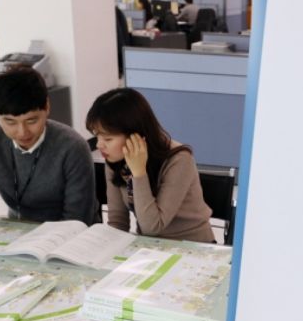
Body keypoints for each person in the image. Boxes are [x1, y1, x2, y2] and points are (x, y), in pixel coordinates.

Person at [0, 66, 98, 246]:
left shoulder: (72, 147)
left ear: (47, 107)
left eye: (32, 120)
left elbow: (76, 219)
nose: (22, 132)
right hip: (18, 234)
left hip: (68, 240)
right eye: (10, 122)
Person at [86, 88, 214, 243]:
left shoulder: (179, 159)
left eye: (108, 139)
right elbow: (118, 221)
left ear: (135, 135)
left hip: (192, 246)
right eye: (97, 136)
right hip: (149, 247)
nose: (99, 145)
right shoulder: (115, 158)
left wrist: (139, 172)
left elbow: (152, 227)